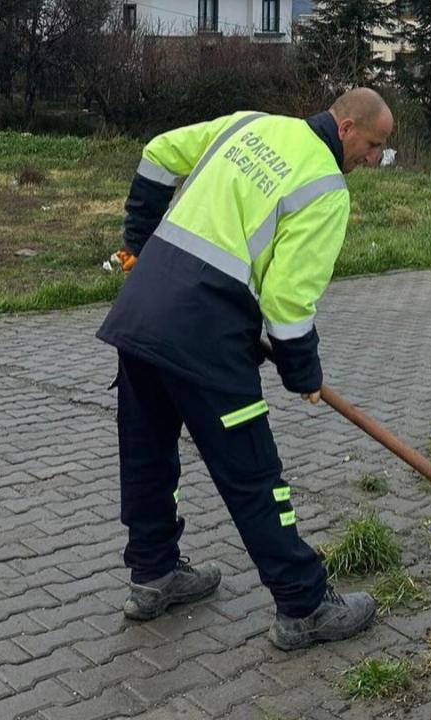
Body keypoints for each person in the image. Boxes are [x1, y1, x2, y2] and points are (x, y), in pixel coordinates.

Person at [96, 88, 394, 651]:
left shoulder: (250, 125)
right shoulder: (326, 190)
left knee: (147, 455)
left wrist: (141, 241)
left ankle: (153, 575)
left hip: (141, 312)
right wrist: (302, 373)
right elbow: (287, 303)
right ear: (347, 126)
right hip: (205, 337)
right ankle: (303, 606)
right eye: (374, 146)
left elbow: (158, 152)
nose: (374, 159)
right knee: (254, 476)